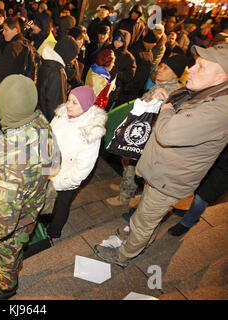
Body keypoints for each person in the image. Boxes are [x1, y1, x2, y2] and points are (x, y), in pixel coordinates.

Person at [94, 44, 228, 267]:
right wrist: (168, 96)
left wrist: (165, 107)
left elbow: (168, 133)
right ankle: (140, 237)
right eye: (195, 63)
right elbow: (180, 94)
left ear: (222, 77)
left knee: (146, 217)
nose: (192, 69)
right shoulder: (208, 90)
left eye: (201, 66)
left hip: (170, 177)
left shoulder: (219, 109)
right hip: (161, 170)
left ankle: (124, 255)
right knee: (148, 212)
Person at [0, 74, 60, 300]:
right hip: (33, 205)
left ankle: (6, 286)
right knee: (17, 244)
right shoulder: (40, 122)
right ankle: (7, 265)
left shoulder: (12, 164)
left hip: (14, 219)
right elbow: (55, 163)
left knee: (5, 250)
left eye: (0, 100)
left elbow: (3, 222)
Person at [106, 54, 187, 207]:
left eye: (165, 68)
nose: (160, 69)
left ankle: (125, 195)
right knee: (127, 161)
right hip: (140, 131)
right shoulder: (162, 85)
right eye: (161, 65)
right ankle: (125, 186)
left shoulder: (172, 93)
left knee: (131, 164)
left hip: (147, 137)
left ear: (175, 74)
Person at [46, 85, 107, 239]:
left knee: (61, 205)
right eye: (69, 100)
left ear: (86, 106)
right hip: (49, 169)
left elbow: (83, 168)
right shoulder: (61, 115)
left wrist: (60, 181)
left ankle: (54, 232)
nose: (68, 105)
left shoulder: (91, 131)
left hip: (66, 178)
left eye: (74, 103)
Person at [168, 145, 228, 236]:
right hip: (213, 162)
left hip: (222, 172)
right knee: (198, 191)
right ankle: (193, 213)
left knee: (202, 197)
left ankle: (187, 223)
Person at [37, 35, 80, 122]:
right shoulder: (56, 72)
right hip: (47, 122)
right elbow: (55, 105)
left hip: (40, 116)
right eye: (74, 55)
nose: (76, 58)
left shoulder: (48, 62)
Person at [109, 29, 137, 108]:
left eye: (120, 41)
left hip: (115, 89)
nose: (117, 43)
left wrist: (116, 73)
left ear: (125, 43)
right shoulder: (108, 49)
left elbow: (129, 75)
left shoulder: (129, 58)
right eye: (116, 40)